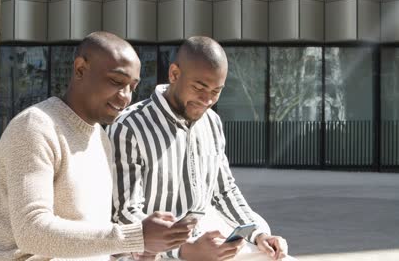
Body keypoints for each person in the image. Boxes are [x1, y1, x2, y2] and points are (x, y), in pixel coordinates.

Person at [0, 31, 194, 261]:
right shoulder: (35, 128)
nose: (126, 97)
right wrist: (133, 237)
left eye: (132, 87)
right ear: (80, 70)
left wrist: (140, 250)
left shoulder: (100, 138)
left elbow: (91, 240)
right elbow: (31, 232)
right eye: (116, 82)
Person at [107, 36, 293, 261]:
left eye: (216, 91)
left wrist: (258, 234)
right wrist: (184, 249)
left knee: (276, 256)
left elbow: (224, 192)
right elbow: (126, 216)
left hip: (204, 246)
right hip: (148, 255)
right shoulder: (129, 127)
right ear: (174, 74)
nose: (207, 100)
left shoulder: (212, 123)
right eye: (199, 87)